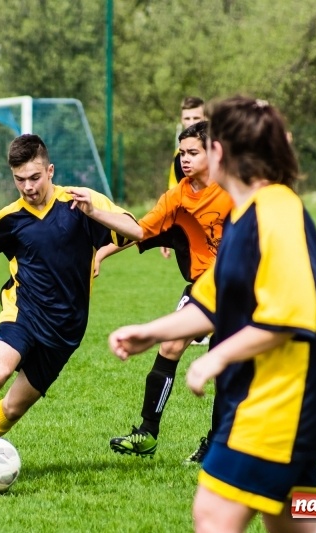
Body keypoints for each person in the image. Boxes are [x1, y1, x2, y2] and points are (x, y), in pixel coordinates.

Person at [108, 96, 316, 533]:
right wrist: (150, 333)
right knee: (294, 521)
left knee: (213, 513)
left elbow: (292, 313)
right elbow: (210, 302)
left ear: (221, 153)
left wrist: (215, 358)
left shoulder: (278, 211)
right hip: (268, 400)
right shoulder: (244, 217)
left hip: (280, 402)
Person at [0, 133, 139, 478]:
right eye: (19, 180)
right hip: (22, 312)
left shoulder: (80, 202)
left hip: (67, 327)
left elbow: (136, 230)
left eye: (35, 177)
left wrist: (100, 241)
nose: (28, 187)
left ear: (50, 171)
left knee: (14, 406)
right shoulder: (9, 218)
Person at [92, 121, 232, 463]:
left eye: (193, 153)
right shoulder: (177, 196)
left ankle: (217, 443)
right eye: (181, 153)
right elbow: (141, 229)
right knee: (170, 345)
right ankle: (147, 433)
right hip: (203, 286)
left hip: (238, 286)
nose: (184, 159)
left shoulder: (234, 188)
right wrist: (101, 247)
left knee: (224, 365)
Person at [161, 96, 207, 260]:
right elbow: (174, 194)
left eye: (196, 118)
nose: (191, 122)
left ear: (205, 119)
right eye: (187, 118)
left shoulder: (218, 149)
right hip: (194, 228)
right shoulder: (178, 157)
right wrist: (166, 230)